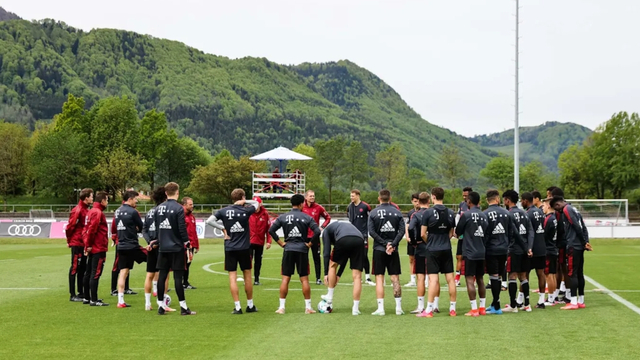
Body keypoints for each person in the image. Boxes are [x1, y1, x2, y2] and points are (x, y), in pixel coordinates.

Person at [206, 189, 259, 314]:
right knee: (247, 276)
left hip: (230, 247)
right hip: (245, 248)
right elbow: (257, 205)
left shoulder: (224, 211)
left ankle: (237, 307)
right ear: (242, 197)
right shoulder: (245, 210)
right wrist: (246, 201)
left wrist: (223, 228)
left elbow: (209, 221)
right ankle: (250, 305)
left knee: (232, 277)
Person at [268, 194, 321, 314]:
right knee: (304, 280)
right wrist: (310, 244)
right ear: (302, 203)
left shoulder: (283, 217)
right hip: (302, 249)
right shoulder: (306, 217)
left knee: (285, 279)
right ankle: (308, 308)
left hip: (288, 249)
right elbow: (317, 231)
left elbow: (271, 230)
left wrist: (281, 243)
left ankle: (281, 307)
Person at [155, 182, 196, 316]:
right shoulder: (179, 209)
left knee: (162, 276)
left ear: (166, 193)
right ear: (177, 193)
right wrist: (187, 243)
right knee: (178, 277)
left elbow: (157, 227)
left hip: (163, 247)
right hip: (177, 247)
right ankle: (183, 307)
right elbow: (182, 229)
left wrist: (156, 240)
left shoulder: (159, 208)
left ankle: (161, 306)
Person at [419, 187, 457, 317]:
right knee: (450, 279)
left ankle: (429, 310)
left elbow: (422, 233)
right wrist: (444, 239)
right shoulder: (450, 212)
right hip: (446, 248)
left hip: (432, 249)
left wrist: (430, 241)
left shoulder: (428, 213)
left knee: (433, 280)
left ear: (433, 196)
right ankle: (452, 308)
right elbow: (451, 233)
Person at [550, 196, 592, 310]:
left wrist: (583, 242)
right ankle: (581, 300)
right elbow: (583, 227)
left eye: (556, 208)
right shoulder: (575, 209)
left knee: (571, 273)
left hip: (573, 245)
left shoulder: (566, 210)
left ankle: (573, 301)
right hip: (579, 245)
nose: (557, 211)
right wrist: (586, 242)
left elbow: (576, 226)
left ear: (558, 205)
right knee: (579, 273)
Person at [369, 189, 405, 316]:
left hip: (379, 249)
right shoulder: (397, 212)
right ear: (390, 198)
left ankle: (381, 308)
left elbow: (371, 232)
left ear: (379, 198)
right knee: (395, 277)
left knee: (379, 278)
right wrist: (392, 244)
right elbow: (402, 232)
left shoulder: (373, 213)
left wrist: (385, 244)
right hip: (393, 250)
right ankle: (398, 308)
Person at [320, 221, 365, 315]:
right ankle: (355, 309)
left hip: (343, 239)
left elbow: (326, 253)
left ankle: (330, 297)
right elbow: (345, 257)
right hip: (360, 239)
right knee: (357, 276)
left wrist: (325, 274)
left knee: (332, 266)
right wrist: (339, 275)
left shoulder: (326, 231)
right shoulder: (343, 226)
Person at [455, 191, 489, 317]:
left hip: (469, 252)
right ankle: (482, 308)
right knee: (480, 278)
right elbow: (487, 233)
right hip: (482, 251)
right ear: (479, 202)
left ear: (469, 201)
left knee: (469, 278)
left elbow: (458, 232)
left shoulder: (466, 215)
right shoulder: (484, 215)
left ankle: (474, 309)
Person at [502, 190, 534, 313]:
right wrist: (529, 248)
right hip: (525, 250)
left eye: (504, 200)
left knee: (512, 276)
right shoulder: (524, 214)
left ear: (507, 200)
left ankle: (513, 305)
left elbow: (514, 233)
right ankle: (527, 304)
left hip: (514, 249)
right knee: (523, 277)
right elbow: (531, 232)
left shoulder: (508, 214)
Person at [114, 190, 146, 308]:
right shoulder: (133, 212)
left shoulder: (117, 211)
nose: (136, 201)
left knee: (123, 272)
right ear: (130, 198)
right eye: (135, 199)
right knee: (156, 260)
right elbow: (142, 227)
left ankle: (120, 300)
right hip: (132, 245)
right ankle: (157, 290)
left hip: (121, 245)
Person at [483, 190, 512, 315]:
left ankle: (497, 305)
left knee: (493, 276)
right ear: (498, 199)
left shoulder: (485, 214)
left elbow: (485, 234)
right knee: (499, 276)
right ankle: (495, 303)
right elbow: (511, 232)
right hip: (504, 249)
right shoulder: (506, 213)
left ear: (487, 200)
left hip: (491, 249)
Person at [142, 186, 167, 311]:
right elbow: (163, 229)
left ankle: (147, 304)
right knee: (164, 274)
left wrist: (149, 242)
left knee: (149, 275)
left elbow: (144, 229)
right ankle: (162, 303)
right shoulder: (163, 211)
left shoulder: (150, 211)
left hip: (150, 246)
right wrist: (156, 242)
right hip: (162, 245)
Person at [82, 191, 110, 306]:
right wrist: (88, 245)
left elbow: (85, 230)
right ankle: (94, 299)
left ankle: (87, 298)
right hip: (98, 247)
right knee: (95, 273)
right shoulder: (98, 213)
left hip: (93, 246)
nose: (107, 202)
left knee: (88, 272)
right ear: (102, 201)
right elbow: (92, 230)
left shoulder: (90, 212)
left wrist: (87, 245)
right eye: (107, 200)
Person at [407, 192, 432, 314]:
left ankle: (421, 306)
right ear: (429, 200)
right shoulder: (433, 213)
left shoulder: (415, 214)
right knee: (433, 277)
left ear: (419, 201)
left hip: (421, 246)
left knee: (420, 277)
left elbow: (411, 228)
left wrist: (413, 241)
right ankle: (434, 305)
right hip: (434, 246)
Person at [66, 188, 93, 302]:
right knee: (75, 267)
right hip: (77, 242)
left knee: (83, 268)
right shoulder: (78, 210)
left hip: (83, 243)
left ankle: (81, 292)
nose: (92, 198)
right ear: (86, 198)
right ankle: (72, 295)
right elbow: (70, 227)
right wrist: (70, 241)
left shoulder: (86, 209)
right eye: (91, 196)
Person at [521, 192, 547, 308]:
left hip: (531, 247)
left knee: (524, 274)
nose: (521, 203)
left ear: (526, 201)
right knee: (541, 273)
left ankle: (521, 300)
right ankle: (541, 300)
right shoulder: (540, 212)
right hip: (542, 245)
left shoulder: (527, 214)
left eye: (522, 200)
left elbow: (528, 232)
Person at [302, 190, 331, 285]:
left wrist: (322, 227)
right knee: (303, 258)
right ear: (306, 197)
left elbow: (328, 218)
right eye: (310, 196)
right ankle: (304, 277)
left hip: (315, 237)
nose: (312, 198)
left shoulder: (318, 207)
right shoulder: (301, 207)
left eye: (313, 196)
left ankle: (318, 278)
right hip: (304, 237)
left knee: (317, 258)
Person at [347, 189, 374, 285]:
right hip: (353, 235)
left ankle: (367, 277)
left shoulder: (365, 206)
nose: (351, 198)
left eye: (353, 196)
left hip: (363, 235)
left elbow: (371, 219)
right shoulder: (349, 207)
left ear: (358, 195)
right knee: (354, 256)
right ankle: (357, 278)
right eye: (351, 196)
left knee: (364, 255)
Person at [249, 196, 272, 285]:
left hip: (260, 242)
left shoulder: (265, 214)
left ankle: (256, 279)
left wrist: (269, 241)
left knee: (258, 261)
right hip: (249, 241)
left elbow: (268, 229)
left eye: (257, 204)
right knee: (248, 261)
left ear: (260, 204)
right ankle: (247, 278)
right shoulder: (248, 213)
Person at [542, 199, 559, 306]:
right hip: (553, 248)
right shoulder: (554, 218)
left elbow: (544, 235)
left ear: (548, 206)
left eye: (543, 205)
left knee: (549, 275)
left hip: (548, 249)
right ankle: (553, 297)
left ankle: (551, 299)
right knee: (552, 274)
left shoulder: (548, 219)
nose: (542, 208)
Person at [455, 186, 472, 287]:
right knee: (459, 256)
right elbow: (458, 217)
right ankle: (457, 278)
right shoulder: (461, 204)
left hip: (470, 236)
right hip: (461, 235)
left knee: (470, 257)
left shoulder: (474, 205)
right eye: (463, 195)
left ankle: (472, 277)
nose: (464, 197)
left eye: (466, 195)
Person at [404, 193, 420, 287]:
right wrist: (407, 236)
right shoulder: (410, 213)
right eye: (415, 201)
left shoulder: (425, 211)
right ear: (412, 202)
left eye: (418, 201)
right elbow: (407, 225)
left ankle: (426, 279)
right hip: (411, 239)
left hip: (421, 239)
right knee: (411, 259)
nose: (417, 203)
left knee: (423, 259)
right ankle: (412, 280)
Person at [182, 197, 198, 290]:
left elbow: (194, 232)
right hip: (183, 245)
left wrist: (196, 245)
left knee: (188, 264)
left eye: (192, 204)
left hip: (191, 245)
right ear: (184, 205)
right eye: (190, 204)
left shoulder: (192, 216)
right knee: (182, 264)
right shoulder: (181, 215)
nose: (192, 206)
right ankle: (182, 283)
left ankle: (185, 282)